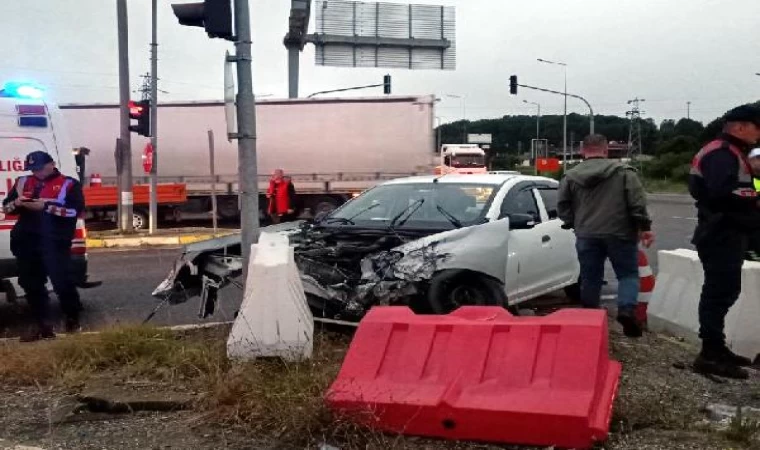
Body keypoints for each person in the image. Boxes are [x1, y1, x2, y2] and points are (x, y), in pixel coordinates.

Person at [558, 134, 654, 338]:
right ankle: (627, 311)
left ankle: (590, 319)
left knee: (590, 277)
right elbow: (637, 203)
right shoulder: (625, 173)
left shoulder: (570, 176)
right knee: (627, 275)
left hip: (586, 234)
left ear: (583, 151)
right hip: (620, 233)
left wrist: (573, 223)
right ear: (606, 150)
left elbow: (563, 206)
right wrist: (644, 227)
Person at [689, 104, 760, 379]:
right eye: (756, 126)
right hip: (719, 232)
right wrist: (754, 199)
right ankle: (709, 353)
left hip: (728, 232)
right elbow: (723, 192)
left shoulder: (733, 153)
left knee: (726, 291)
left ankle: (716, 348)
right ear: (739, 127)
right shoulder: (721, 153)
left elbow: (748, 186)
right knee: (718, 294)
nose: (758, 133)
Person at [2, 151, 85, 341]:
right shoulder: (23, 182)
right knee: (31, 285)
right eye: (33, 169)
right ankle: (44, 327)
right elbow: (6, 208)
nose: (36, 173)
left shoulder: (69, 184)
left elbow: (74, 212)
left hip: (55, 242)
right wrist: (16, 203)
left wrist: (45, 207)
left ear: (52, 164)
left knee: (63, 283)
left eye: (39, 168)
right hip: (27, 242)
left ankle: (73, 322)